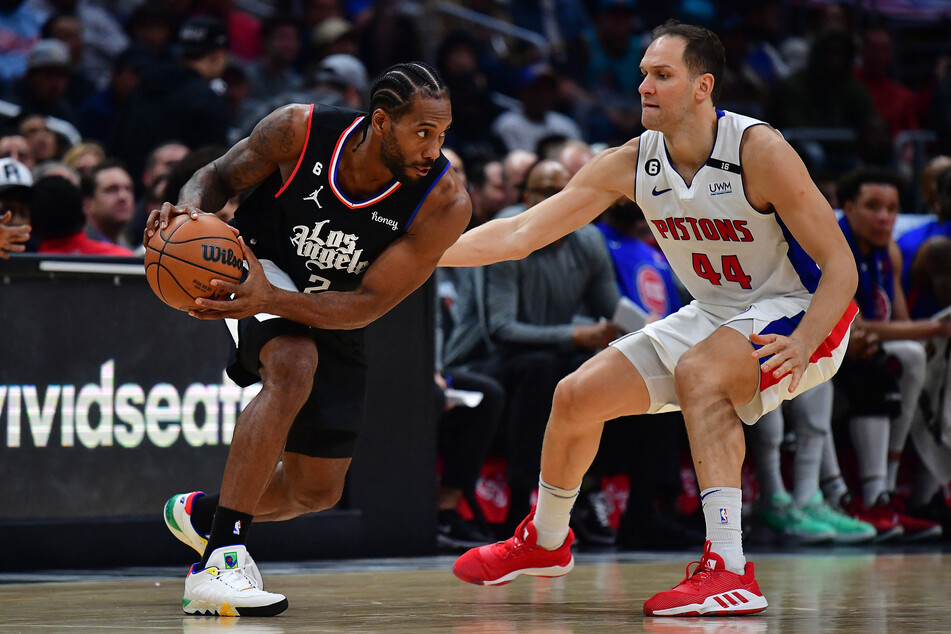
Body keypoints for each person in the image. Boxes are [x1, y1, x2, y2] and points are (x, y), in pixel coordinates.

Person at [443, 22, 858, 617]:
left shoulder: (757, 150)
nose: (644, 86)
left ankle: (730, 568)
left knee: (700, 373)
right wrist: (419, 253)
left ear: (702, 86)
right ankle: (548, 539)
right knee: (575, 396)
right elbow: (519, 232)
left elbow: (841, 267)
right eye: (643, 74)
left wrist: (807, 341)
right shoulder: (635, 161)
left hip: (800, 311)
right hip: (716, 312)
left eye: (662, 75)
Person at [149, 61, 470, 617]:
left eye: (441, 134)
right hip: (255, 266)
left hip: (332, 303)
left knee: (315, 490)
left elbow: (369, 305)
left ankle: (205, 517)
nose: (433, 148)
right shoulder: (298, 130)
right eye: (422, 132)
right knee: (293, 365)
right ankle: (220, 560)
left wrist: (277, 303)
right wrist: (186, 211)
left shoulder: (443, 202)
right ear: (380, 122)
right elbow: (219, 177)